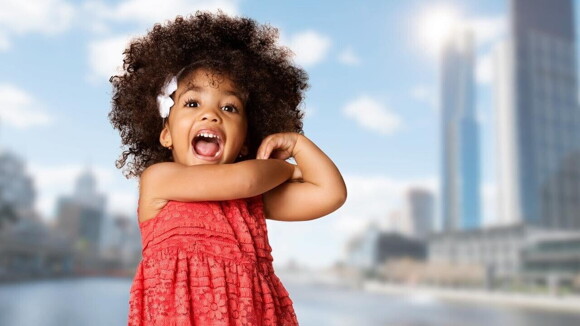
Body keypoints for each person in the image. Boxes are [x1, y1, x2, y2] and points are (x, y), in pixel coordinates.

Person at [109, 11, 347, 325]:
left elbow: (330, 193)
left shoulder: (251, 203)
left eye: (229, 107)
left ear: (246, 141)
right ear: (165, 133)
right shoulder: (160, 180)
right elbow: (248, 178)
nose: (211, 115)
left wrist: (297, 145)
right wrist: (289, 170)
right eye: (193, 103)